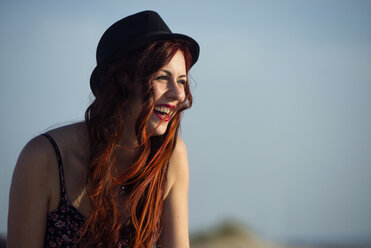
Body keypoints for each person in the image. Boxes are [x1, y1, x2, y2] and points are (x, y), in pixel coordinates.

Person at [7, 10, 199, 248]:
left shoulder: (170, 156)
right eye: (162, 77)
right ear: (122, 81)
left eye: (181, 80)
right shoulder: (43, 158)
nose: (179, 94)